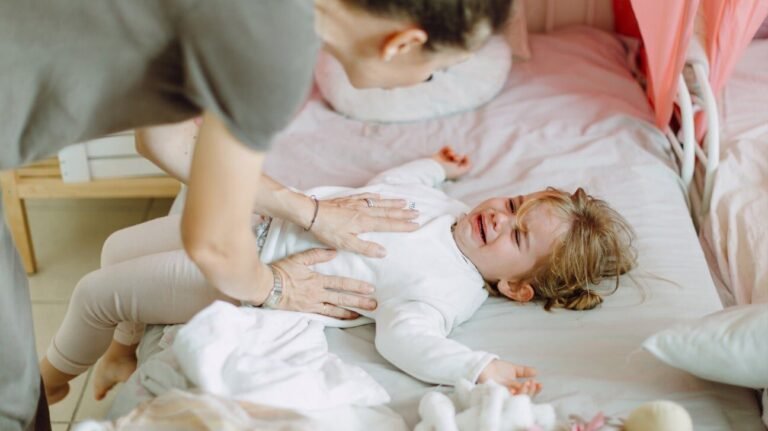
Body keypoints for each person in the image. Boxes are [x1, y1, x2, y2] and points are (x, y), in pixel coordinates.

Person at [0, 1, 514, 428]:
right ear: (401, 43)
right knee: (14, 394)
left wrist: (310, 211)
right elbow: (214, 244)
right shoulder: (276, 49)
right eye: (435, 71)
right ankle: (46, 387)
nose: (426, 81)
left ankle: (83, 367)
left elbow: (164, 141)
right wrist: (276, 288)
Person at [39, 146, 637, 403]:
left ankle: (52, 379)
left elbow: (410, 341)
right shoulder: (447, 210)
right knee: (115, 249)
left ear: (515, 287)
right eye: (514, 204)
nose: (501, 218)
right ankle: (121, 349)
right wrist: (435, 165)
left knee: (95, 293)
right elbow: (398, 183)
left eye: (518, 236)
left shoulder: (447, 291)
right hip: (251, 219)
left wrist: (479, 367)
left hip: (254, 276)